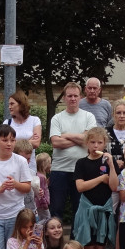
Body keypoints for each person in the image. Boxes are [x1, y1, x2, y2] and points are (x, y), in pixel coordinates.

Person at [72, 127, 117, 249]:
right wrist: (100, 179)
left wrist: (111, 165)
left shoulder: (107, 162)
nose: (96, 145)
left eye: (99, 142)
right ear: (87, 143)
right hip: (87, 209)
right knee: (88, 248)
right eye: (92, 142)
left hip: (103, 209)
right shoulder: (81, 163)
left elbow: (114, 186)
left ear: (105, 144)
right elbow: (80, 186)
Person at [49, 82, 97, 220]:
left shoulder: (89, 117)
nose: (73, 99)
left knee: (79, 210)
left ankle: (76, 241)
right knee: (56, 209)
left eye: (75, 95)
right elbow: (56, 142)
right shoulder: (57, 118)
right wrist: (81, 138)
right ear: (64, 98)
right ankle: (55, 241)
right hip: (59, 169)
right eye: (69, 96)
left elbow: (89, 140)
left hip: (81, 169)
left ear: (80, 97)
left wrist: (66, 135)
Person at [5, 91, 42, 175]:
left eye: (12, 104)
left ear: (21, 104)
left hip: (30, 166)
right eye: (9, 104)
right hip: (11, 166)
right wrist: (28, 141)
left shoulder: (34, 120)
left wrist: (14, 142)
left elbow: (36, 143)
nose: (9, 107)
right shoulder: (7, 123)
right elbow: (4, 145)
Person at [33, 152, 51, 222]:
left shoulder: (38, 175)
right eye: (49, 163)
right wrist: (45, 204)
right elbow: (41, 193)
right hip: (42, 206)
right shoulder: (41, 177)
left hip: (39, 205)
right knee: (45, 221)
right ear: (45, 165)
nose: (50, 165)